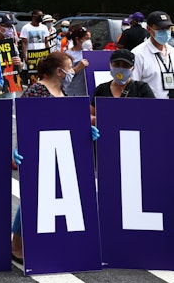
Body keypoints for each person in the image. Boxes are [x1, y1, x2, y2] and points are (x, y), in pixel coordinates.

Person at [11, 51, 99, 263]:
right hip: (39, 150)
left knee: (52, 196)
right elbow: (26, 123)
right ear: (59, 71)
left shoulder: (63, 93)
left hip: (61, 151)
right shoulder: (37, 90)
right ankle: (17, 245)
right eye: (69, 67)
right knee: (34, 196)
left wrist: (86, 131)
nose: (72, 71)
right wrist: (19, 147)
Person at [91, 49, 155, 123]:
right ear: (110, 65)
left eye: (125, 66)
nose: (121, 69)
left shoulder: (142, 88)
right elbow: (91, 113)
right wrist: (92, 119)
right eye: (117, 64)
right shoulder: (101, 89)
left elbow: (153, 114)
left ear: (132, 69)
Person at [131, 10, 174, 99]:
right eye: (161, 28)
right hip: (150, 108)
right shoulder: (138, 54)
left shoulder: (172, 51)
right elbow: (133, 87)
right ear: (149, 29)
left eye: (168, 28)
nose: (165, 32)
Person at [0, 13, 23, 98]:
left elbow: (19, 69)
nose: (10, 29)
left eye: (10, 27)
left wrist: (19, 64)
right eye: (7, 26)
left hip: (9, 91)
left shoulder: (10, 44)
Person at [19, 10, 48, 78]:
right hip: (31, 56)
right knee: (32, 76)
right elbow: (23, 43)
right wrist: (25, 57)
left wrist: (48, 55)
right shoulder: (26, 28)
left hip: (42, 55)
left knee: (42, 75)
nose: (41, 17)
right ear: (34, 16)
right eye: (40, 16)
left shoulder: (44, 27)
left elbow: (46, 42)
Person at [64, 26, 91, 96]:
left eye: (89, 39)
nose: (88, 41)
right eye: (86, 39)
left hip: (87, 91)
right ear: (77, 39)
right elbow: (65, 75)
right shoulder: (67, 55)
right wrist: (78, 67)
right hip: (74, 92)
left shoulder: (88, 52)